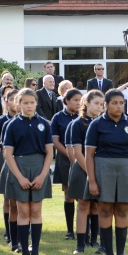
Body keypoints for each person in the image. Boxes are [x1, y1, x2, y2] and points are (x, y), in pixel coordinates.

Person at [85, 89, 128, 255]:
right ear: (106, 105)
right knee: (105, 209)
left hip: (126, 169)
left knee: (122, 210)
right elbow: (89, 155)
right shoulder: (96, 124)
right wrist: (92, 181)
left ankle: (121, 253)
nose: (119, 106)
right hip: (104, 168)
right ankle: (109, 253)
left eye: (121, 103)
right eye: (114, 103)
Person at [4, 88, 53, 255]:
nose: (29, 105)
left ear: (36, 103)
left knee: (36, 210)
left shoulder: (44, 124)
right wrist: (20, 177)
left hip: (39, 167)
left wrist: (42, 176)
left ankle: (36, 252)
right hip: (20, 167)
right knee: (23, 210)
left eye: (32, 102)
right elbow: (8, 154)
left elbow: (49, 152)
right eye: (25, 102)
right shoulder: (12, 125)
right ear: (18, 104)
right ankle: (24, 252)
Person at [67, 90, 104, 254]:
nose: (99, 107)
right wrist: (90, 172)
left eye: (102, 104)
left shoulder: (104, 122)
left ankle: (94, 240)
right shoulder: (78, 123)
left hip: (101, 168)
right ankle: (80, 244)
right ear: (86, 103)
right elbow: (77, 152)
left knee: (97, 206)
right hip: (83, 168)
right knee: (83, 205)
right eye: (96, 103)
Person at [51, 88, 82, 240]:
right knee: (68, 195)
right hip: (64, 159)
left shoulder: (83, 117)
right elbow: (55, 141)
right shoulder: (58, 117)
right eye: (75, 100)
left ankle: (85, 229)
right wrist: (70, 155)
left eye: (80, 100)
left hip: (83, 159)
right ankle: (70, 230)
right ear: (66, 101)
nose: (78, 103)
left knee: (83, 196)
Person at [0, 89, 18, 251]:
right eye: (12, 99)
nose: (15, 102)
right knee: (8, 200)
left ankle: (20, 231)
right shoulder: (1, 121)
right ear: (6, 102)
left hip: (23, 164)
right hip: (6, 163)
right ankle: (9, 233)